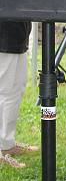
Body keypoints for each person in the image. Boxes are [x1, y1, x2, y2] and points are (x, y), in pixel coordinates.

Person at [0, 20, 38, 169]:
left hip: (16, 33)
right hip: (3, 34)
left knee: (15, 89)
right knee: (3, 91)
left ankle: (6, 143)